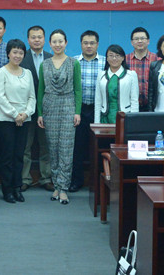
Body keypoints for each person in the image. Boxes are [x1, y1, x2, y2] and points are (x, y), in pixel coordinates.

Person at [37, 29, 82, 205]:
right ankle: (56, 185)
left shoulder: (73, 63)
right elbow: (41, 90)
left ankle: (64, 188)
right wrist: (40, 113)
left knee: (66, 148)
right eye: (54, 42)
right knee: (53, 148)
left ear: (66, 43)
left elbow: (78, 89)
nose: (57, 45)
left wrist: (77, 111)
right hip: (49, 107)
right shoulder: (44, 64)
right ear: (50, 44)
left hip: (68, 106)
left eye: (60, 41)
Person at [0, 39, 37, 204]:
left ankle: (17, 187)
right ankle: (7, 190)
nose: (17, 55)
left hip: (24, 119)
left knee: (19, 155)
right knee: (7, 156)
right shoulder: (0, 72)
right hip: (6, 120)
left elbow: (32, 97)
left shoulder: (28, 73)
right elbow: (1, 97)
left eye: (20, 53)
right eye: (14, 52)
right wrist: (15, 115)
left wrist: (25, 114)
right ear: (8, 54)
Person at [70, 30, 106, 192]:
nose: (89, 46)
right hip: (78, 110)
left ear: (97, 44)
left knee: (98, 146)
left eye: (92, 43)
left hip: (100, 110)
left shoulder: (105, 62)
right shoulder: (73, 62)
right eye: (85, 43)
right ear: (81, 44)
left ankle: (97, 182)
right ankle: (77, 181)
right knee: (77, 147)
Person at [20, 26, 54, 192]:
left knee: (46, 146)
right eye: (33, 37)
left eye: (39, 37)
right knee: (25, 146)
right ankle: (25, 178)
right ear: (28, 40)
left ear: (44, 39)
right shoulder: (21, 57)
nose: (36, 40)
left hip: (46, 110)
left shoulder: (51, 58)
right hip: (25, 109)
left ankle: (46, 178)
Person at [94, 45, 139, 123]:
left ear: (123, 58)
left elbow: (134, 101)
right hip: (105, 117)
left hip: (125, 117)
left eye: (117, 56)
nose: (114, 58)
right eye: (111, 56)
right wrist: (97, 122)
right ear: (107, 58)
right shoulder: (101, 75)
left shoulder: (131, 75)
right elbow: (98, 101)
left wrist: (133, 122)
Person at [127, 27, 159, 111]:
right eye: (136, 39)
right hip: (131, 106)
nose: (139, 41)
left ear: (148, 41)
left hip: (153, 106)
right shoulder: (125, 60)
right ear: (132, 42)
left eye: (142, 38)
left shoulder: (157, 59)